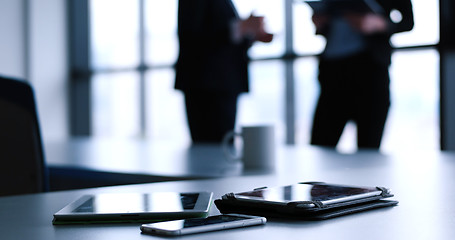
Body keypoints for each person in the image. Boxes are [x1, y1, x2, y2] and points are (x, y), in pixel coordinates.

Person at [310, 0, 414, 149]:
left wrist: (378, 23)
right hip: (333, 71)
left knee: (368, 148)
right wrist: (319, 20)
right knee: (320, 146)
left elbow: (408, 22)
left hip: (369, 71)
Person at [175, 0, 273, 143]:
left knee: (222, 145)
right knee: (211, 147)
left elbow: (224, 40)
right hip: (206, 86)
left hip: (223, 85)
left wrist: (249, 34)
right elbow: (192, 36)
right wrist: (241, 27)